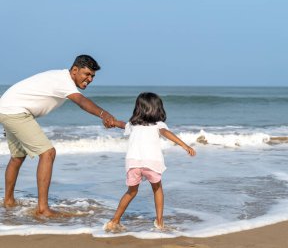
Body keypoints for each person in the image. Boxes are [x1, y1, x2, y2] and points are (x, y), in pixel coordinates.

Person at [0, 55, 116, 217]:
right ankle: (43, 209)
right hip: (15, 111)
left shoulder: (60, 77)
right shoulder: (64, 81)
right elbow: (82, 102)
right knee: (48, 153)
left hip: (6, 108)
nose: (89, 79)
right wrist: (104, 114)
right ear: (75, 70)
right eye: (86, 74)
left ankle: (8, 201)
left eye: (92, 76)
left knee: (18, 156)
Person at [104, 92, 196, 232]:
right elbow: (166, 133)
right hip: (151, 162)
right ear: (157, 109)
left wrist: (112, 122)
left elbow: (122, 125)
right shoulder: (159, 124)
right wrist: (184, 145)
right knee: (157, 189)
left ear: (138, 109)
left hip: (133, 163)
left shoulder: (133, 124)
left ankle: (114, 220)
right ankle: (159, 221)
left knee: (131, 191)